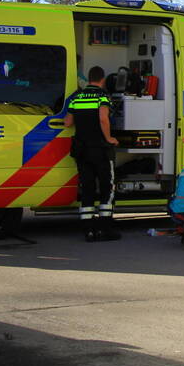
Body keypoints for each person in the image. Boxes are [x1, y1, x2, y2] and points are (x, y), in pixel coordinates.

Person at [64, 65, 121, 242]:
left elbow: (67, 122)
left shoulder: (76, 97)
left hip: (81, 150)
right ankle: (105, 228)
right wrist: (109, 137)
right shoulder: (102, 96)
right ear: (102, 80)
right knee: (107, 187)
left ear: (88, 79)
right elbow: (103, 118)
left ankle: (88, 230)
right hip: (101, 149)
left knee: (87, 187)